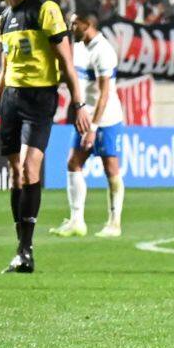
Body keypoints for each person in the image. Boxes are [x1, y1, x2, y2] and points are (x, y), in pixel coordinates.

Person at [0, 0, 91, 273]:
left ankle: (26, 249)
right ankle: (21, 249)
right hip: (12, 100)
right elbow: (5, 68)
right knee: (16, 172)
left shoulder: (45, 10)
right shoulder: (5, 17)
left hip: (39, 99)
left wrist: (78, 104)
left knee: (32, 167)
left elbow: (66, 62)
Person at [50, 12, 125, 238]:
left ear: (88, 24)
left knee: (110, 167)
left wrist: (93, 128)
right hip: (86, 116)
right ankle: (77, 221)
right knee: (74, 163)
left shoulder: (104, 52)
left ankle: (114, 223)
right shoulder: (81, 46)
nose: (71, 27)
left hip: (106, 119)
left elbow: (104, 95)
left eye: (75, 23)